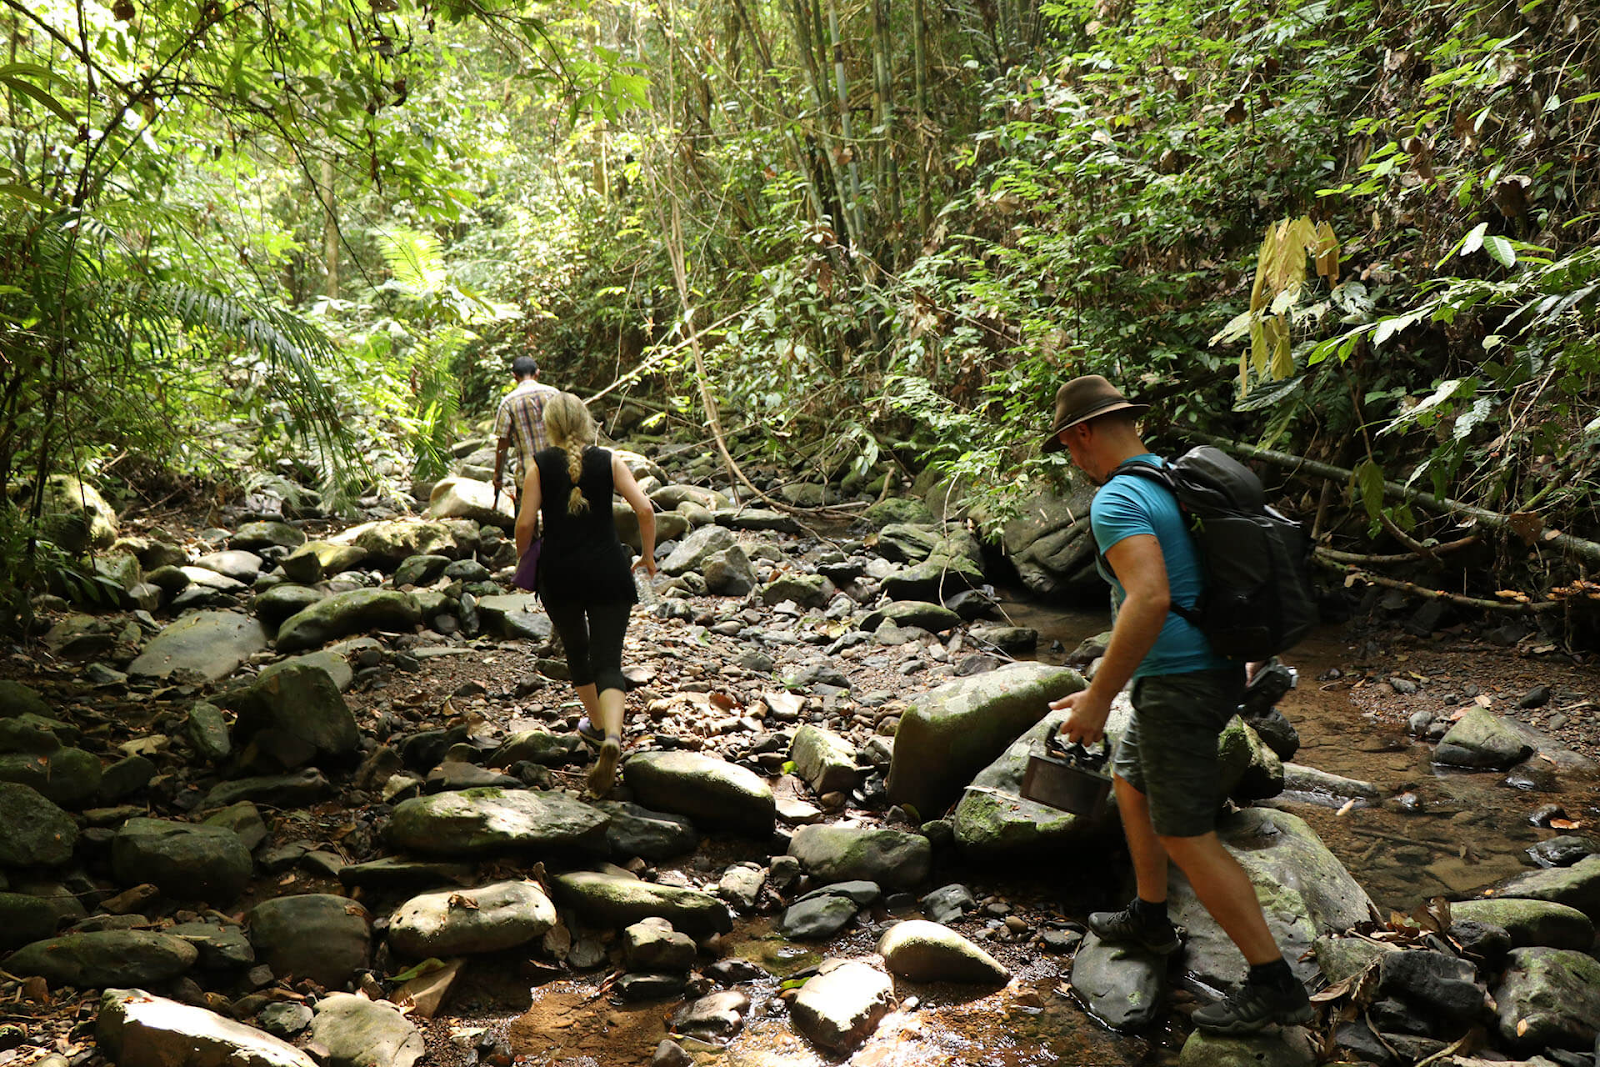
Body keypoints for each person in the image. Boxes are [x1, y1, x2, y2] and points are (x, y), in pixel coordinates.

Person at [1043, 374, 1312, 1035]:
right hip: (1199, 668)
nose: (1072, 462)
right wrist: (1108, 684)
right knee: (1131, 781)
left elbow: (1151, 598)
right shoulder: (1169, 479)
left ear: (1083, 433)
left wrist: (1099, 699)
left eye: (1069, 449)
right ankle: (1151, 914)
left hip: (1182, 682)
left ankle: (1274, 980)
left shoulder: (1118, 501)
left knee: (1186, 833)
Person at [514, 392, 656, 796]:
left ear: (551, 426)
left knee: (578, 652)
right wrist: (647, 556)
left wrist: (524, 557)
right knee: (608, 660)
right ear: (586, 421)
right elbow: (644, 510)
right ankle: (613, 736)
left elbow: (525, 525)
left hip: (560, 577)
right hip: (609, 572)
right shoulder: (609, 460)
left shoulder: (538, 466)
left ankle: (595, 728)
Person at [493, 355, 560, 508]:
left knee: (527, 522)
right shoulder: (554, 394)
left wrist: (498, 474)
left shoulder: (508, 402)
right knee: (557, 518)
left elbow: (503, 442)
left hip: (528, 472)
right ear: (537, 373)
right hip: (557, 470)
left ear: (514, 376)